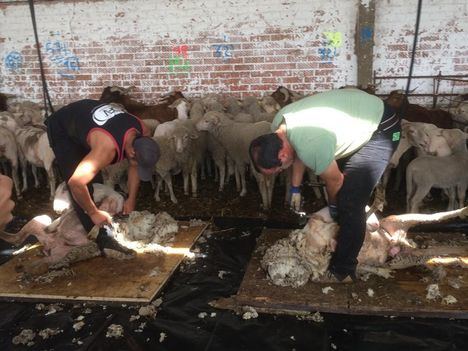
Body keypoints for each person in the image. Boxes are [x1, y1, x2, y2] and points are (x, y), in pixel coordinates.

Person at [249, 88, 401, 282]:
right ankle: (353, 225)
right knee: (347, 190)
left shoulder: (310, 145)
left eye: (278, 170)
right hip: (359, 114)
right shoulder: (279, 125)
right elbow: (297, 152)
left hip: (382, 128)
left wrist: (336, 208)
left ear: (282, 156)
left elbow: (335, 180)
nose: (280, 172)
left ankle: (343, 271)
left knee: (349, 201)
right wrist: (295, 188)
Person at [46, 99, 160, 255]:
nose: (135, 163)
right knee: (80, 182)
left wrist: (131, 199)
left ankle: (101, 222)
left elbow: (134, 166)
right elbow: (76, 183)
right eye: (135, 160)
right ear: (132, 152)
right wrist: (93, 212)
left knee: (94, 183)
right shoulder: (106, 149)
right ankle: (99, 239)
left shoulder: (144, 132)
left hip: (86, 122)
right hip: (63, 128)